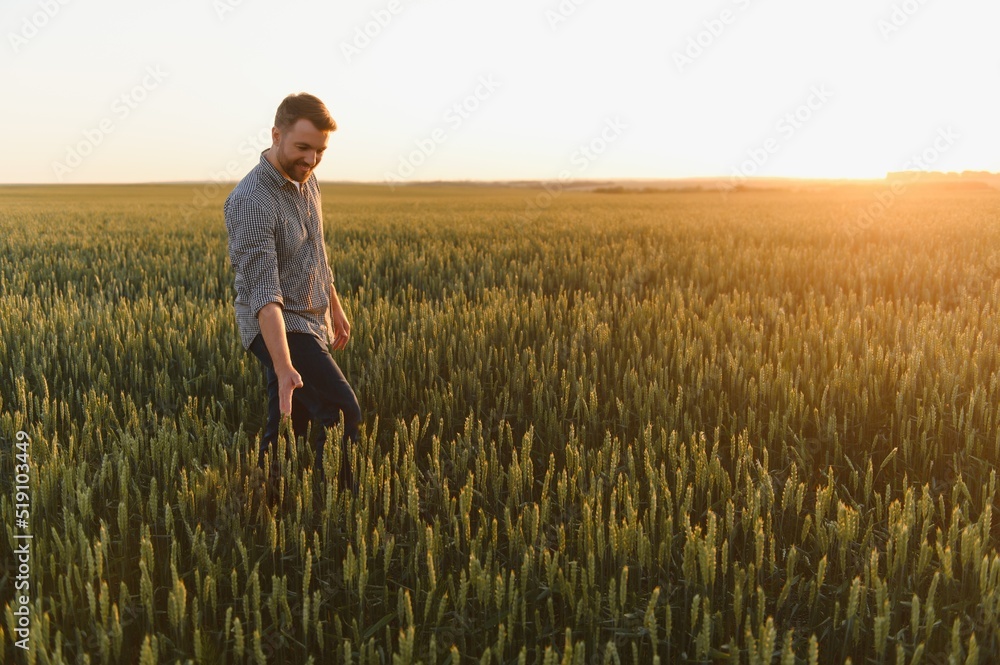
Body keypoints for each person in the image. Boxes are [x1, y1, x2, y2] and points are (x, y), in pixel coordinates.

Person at [224, 92, 361, 488]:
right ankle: (333, 508)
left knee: (287, 425)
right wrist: (284, 367)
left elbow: (314, 247)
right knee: (340, 411)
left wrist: (332, 303)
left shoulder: (305, 176)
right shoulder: (252, 202)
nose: (312, 160)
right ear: (276, 135)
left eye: (320, 151)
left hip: (309, 315)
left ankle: (266, 503)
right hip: (278, 323)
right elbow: (264, 295)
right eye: (303, 147)